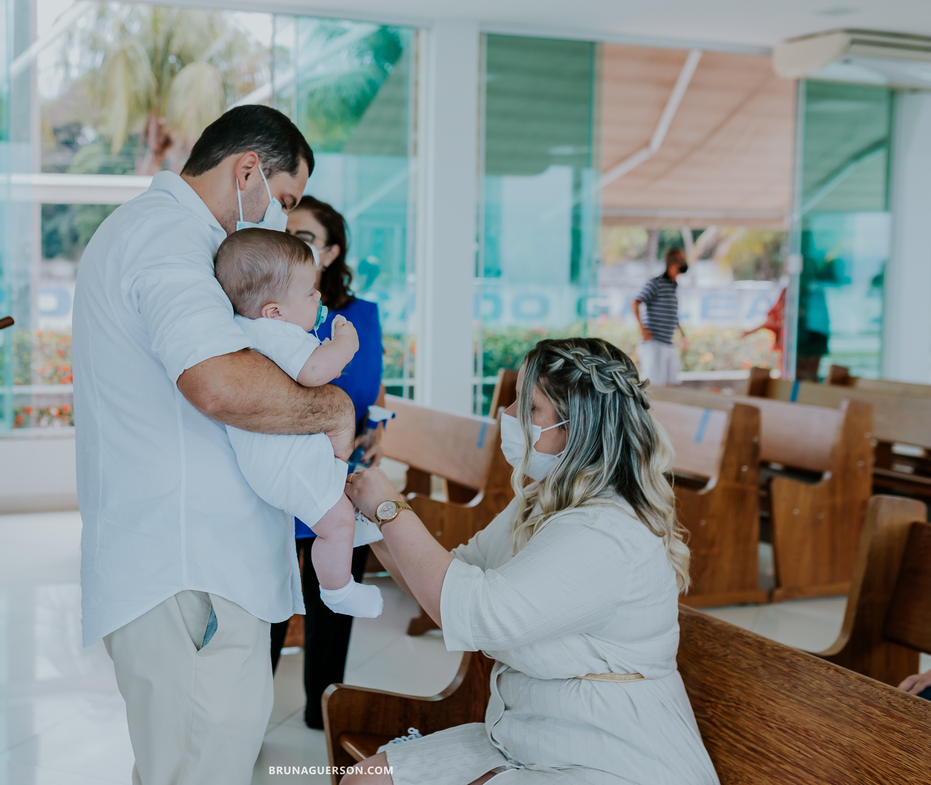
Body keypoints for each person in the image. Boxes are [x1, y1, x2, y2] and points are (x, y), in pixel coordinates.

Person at [72, 105, 357, 785]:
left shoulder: (169, 236)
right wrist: (330, 407)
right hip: (185, 567)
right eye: (283, 200)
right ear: (247, 170)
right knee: (199, 764)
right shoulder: (167, 239)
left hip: (187, 560)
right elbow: (219, 385)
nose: (284, 222)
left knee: (191, 761)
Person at [341, 337, 718, 785]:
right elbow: (452, 578)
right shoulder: (543, 499)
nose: (508, 415)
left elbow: (476, 613)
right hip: (525, 734)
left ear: (576, 427)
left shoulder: (605, 533)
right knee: (365, 780)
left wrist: (390, 508)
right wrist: (372, 524)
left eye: (529, 407)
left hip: (607, 754)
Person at [213, 228, 382, 618]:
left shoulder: (253, 328)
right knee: (337, 524)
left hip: (279, 462)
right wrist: (345, 344)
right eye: (309, 294)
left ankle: (338, 581)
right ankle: (338, 590)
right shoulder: (276, 332)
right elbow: (315, 371)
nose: (319, 298)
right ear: (275, 310)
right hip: (285, 464)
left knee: (340, 511)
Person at [270, 195, 388, 730]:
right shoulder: (265, 308)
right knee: (269, 604)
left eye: (308, 238)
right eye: (287, 232)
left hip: (338, 477)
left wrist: (379, 423)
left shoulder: (358, 317)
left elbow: (366, 388)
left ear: (333, 251)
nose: (294, 243)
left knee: (330, 601)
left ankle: (324, 711)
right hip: (279, 478)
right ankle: (251, 712)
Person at [631, 246, 688, 386]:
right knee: (655, 386)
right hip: (654, 343)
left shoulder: (673, 286)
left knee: (671, 385)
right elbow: (635, 302)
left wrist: (682, 335)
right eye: (682, 259)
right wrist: (642, 329)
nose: (685, 263)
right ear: (674, 263)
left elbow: (672, 314)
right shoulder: (656, 283)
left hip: (668, 344)